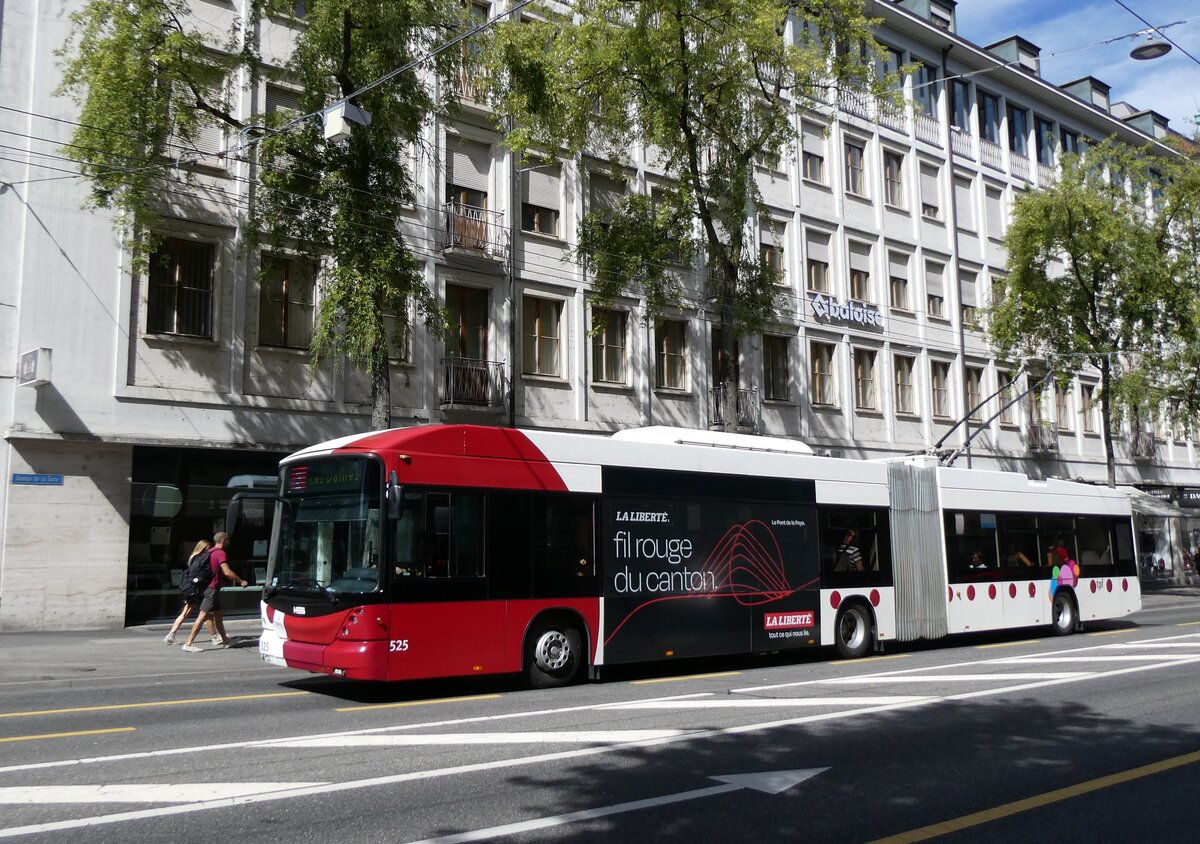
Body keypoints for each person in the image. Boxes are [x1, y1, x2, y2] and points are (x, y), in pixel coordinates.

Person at [181, 532, 248, 653]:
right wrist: (241, 581)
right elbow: (227, 572)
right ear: (223, 540)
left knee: (218, 615)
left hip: (208, 587)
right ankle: (188, 643)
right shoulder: (220, 553)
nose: (229, 542)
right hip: (212, 589)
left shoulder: (209, 551)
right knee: (202, 616)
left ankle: (226, 640)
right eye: (227, 540)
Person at [163, 539, 218, 645]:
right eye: (208, 548)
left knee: (189, 613)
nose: (209, 550)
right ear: (203, 548)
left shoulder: (193, 558)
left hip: (191, 589)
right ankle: (215, 637)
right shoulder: (202, 560)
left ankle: (171, 634)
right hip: (198, 591)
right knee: (206, 614)